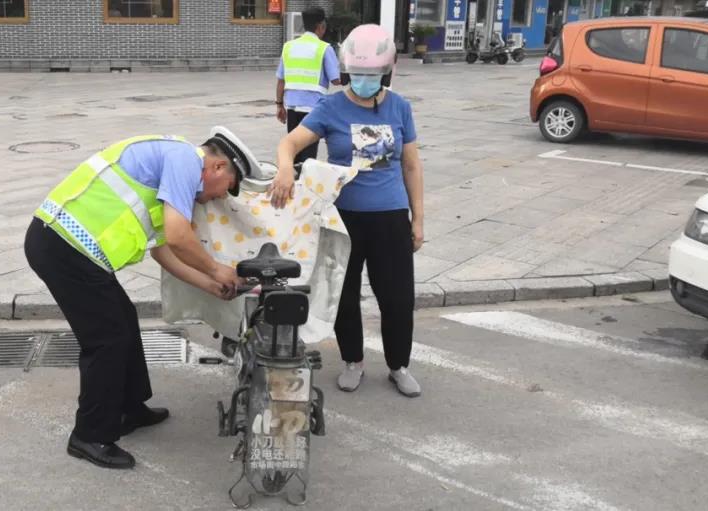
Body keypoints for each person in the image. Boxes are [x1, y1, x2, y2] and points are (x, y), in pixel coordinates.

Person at [24, 127, 260, 469]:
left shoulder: (175, 169)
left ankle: (129, 408)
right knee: (106, 340)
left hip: (74, 250)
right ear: (219, 167)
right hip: (61, 246)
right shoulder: (184, 161)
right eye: (226, 189)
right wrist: (218, 270)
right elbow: (179, 238)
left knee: (123, 318)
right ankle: (89, 435)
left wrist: (212, 286)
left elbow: (164, 252)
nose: (217, 198)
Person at [268, 24, 425, 398]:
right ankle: (353, 361)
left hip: (390, 217)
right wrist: (286, 167)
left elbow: (412, 165)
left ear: (387, 71)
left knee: (398, 297)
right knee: (345, 293)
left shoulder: (400, 107)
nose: (363, 82)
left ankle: (398, 365)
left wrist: (418, 219)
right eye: (357, 75)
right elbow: (289, 143)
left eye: (371, 76)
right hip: (343, 219)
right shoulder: (330, 107)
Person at [275, 6, 341, 166]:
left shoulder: (288, 47)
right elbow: (336, 80)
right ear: (321, 26)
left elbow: (281, 80)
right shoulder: (324, 48)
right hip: (314, 110)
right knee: (308, 157)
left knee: (293, 150)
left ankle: (292, 184)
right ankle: (304, 187)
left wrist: (279, 105)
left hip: (292, 108)